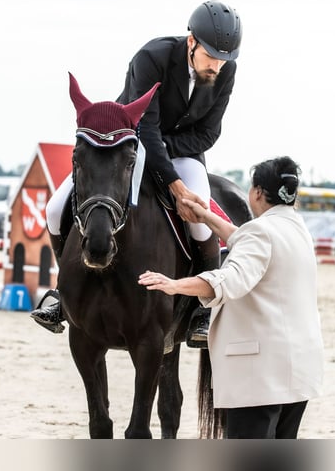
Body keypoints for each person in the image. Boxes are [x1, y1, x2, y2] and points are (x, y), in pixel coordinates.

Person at [32, 0, 243, 343]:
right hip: (128, 146)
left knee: (198, 214)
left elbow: (210, 132)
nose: (217, 66)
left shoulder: (225, 71)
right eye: (211, 57)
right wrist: (170, 181)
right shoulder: (152, 58)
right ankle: (62, 295)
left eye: (224, 60)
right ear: (192, 42)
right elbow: (146, 128)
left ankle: (203, 309)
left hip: (185, 154)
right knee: (55, 208)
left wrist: (168, 153)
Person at [138, 156, 324, 439]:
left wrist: (174, 284)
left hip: (260, 380)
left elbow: (227, 280)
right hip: (298, 374)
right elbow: (246, 239)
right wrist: (206, 217)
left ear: (258, 192)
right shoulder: (296, 228)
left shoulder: (261, 233)